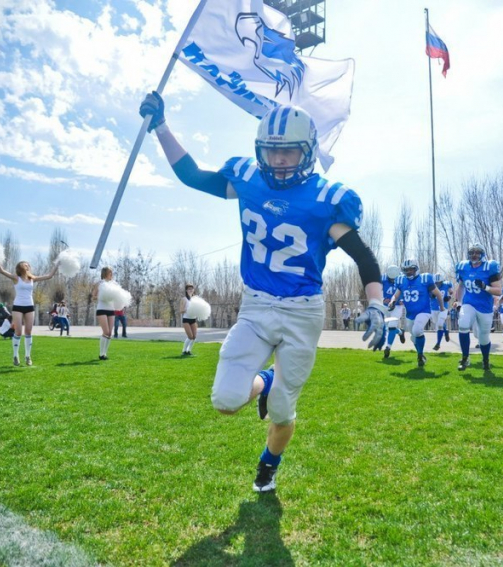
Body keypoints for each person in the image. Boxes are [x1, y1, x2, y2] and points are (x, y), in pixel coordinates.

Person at [140, 93, 386, 493]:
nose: (280, 160)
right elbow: (192, 176)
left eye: (289, 151)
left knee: (283, 413)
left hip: (302, 312)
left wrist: (375, 303)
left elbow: (364, 257)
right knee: (224, 400)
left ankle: (269, 463)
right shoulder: (248, 180)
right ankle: (267, 380)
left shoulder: (326, 198)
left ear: (307, 152)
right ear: (260, 151)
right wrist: (161, 127)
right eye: (273, 152)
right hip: (255, 305)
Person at [0, 260, 58, 366]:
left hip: (29, 306)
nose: (28, 266)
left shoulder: (32, 278)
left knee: (28, 332)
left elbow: (49, 276)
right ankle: (15, 356)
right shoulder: (16, 278)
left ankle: (28, 357)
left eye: (28, 264)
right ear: (20, 267)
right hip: (18, 307)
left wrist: (57, 264)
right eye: (25, 265)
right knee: (18, 332)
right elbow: (2, 271)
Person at [387, 259, 444, 367]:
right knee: (414, 337)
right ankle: (420, 355)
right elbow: (396, 295)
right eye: (406, 270)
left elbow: (438, 294)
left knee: (417, 330)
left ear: (416, 268)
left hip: (424, 311)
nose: (409, 272)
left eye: (411, 269)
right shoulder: (402, 280)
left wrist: (442, 308)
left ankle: (420, 355)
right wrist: (392, 302)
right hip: (410, 314)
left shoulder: (424, 279)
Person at [454, 243, 501, 371]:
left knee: (483, 337)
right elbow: (461, 286)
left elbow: (499, 291)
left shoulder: (489, 267)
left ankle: (485, 360)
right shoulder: (463, 267)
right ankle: (465, 358)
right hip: (469, 303)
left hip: (485, 307)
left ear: (482, 254)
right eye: (472, 252)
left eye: (477, 252)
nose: (474, 255)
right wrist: (458, 301)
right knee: (463, 324)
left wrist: (485, 287)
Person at [381, 265, 405, 359]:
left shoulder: (403, 278)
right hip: (386, 305)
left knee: (391, 326)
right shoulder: (382, 279)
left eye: (394, 279)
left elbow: (407, 289)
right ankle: (400, 332)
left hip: (398, 306)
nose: (392, 281)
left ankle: (388, 347)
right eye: (390, 279)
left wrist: (403, 300)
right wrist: (383, 299)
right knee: (385, 327)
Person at [92, 266, 116, 360]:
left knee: (110, 333)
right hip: (101, 309)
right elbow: (93, 296)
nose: (111, 274)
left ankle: (105, 354)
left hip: (111, 309)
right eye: (110, 273)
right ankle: (101, 354)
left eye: (112, 273)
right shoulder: (100, 283)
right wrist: (101, 297)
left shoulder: (113, 284)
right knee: (105, 332)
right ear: (105, 273)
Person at [431, 273, 453, 350]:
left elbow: (451, 292)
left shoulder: (446, 284)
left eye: (439, 282)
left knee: (440, 324)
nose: (438, 284)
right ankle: (446, 331)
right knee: (437, 323)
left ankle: (438, 344)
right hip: (433, 308)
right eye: (436, 283)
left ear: (442, 281)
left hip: (443, 307)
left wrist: (449, 297)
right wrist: (431, 295)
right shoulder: (431, 285)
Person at [180, 284, 199, 356]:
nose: (191, 290)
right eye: (189, 289)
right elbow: (181, 310)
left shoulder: (196, 299)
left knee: (194, 337)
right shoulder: (184, 299)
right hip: (186, 319)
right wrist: (189, 309)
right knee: (190, 336)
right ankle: (184, 351)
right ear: (186, 290)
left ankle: (189, 351)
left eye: (192, 289)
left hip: (193, 319)